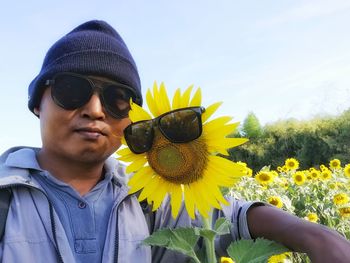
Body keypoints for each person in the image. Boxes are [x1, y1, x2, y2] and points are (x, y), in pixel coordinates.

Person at [0, 20, 349, 263]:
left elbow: (234, 216)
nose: (94, 109)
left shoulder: (149, 198)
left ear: (131, 117)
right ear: (36, 103)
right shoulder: (6, 198)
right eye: (71, 89)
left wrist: (316, 236)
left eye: (117, 98)